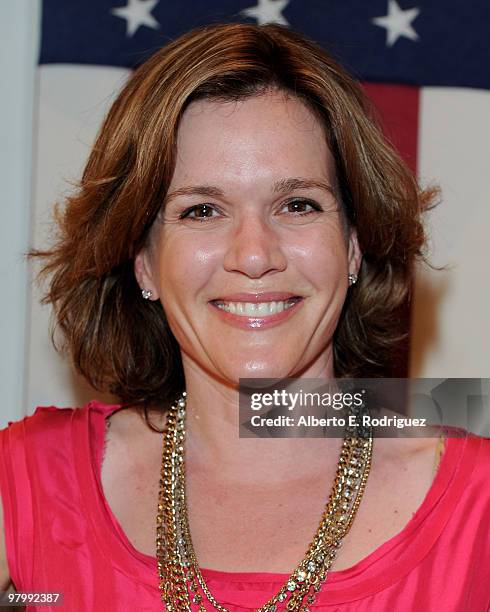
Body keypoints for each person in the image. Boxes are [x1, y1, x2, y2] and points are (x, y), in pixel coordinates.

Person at [0, 22, 488, 612]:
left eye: (298, 204)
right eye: (202, 210)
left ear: (354, 245)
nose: (254, 255)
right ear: (144, 262)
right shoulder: (27, 481)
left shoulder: (478, 505)